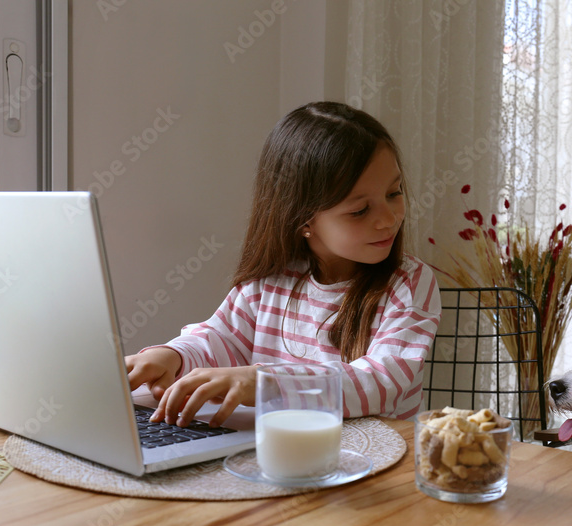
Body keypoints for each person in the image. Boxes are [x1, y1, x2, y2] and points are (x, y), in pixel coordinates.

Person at [125, 101, 441, 427]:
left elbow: (378, 384)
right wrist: (172, 356)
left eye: (394, 192)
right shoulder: (270, 280)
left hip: (373, 461)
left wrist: (267, 384)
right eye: (360, 210)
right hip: (278, 454)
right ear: (304, 218)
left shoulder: (410, 284)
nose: (389, 219)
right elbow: (219, 339)